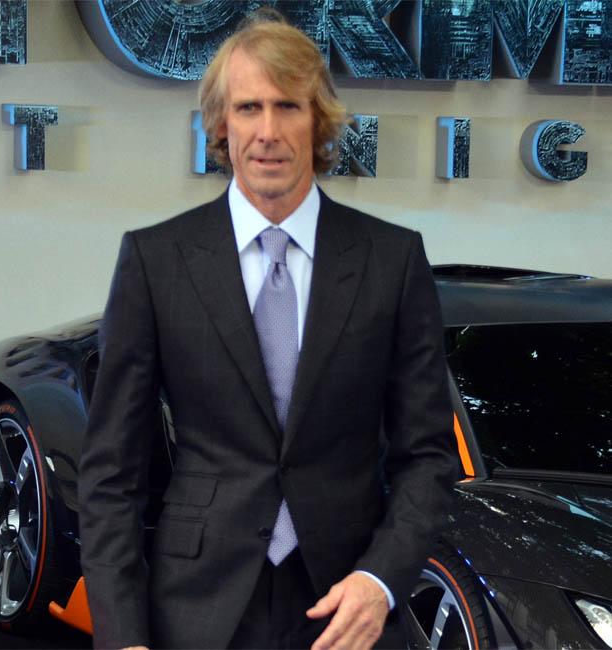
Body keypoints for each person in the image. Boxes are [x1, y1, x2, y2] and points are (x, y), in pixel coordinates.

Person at [78, 10, 457, 650]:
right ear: (221, 124)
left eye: (288, 107)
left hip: (348, 605)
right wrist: (122, 638)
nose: (269, 131)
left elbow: (428, 456)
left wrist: (382, 581)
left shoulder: (392, 260)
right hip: (197, 607)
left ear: (319, 120)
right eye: (249, 107)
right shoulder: (155, 260)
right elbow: (111, 473)